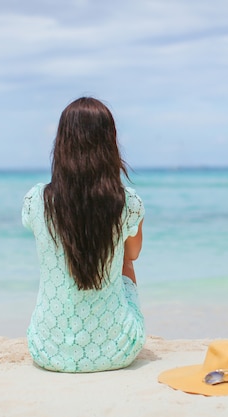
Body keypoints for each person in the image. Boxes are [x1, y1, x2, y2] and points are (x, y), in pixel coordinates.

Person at [21, 97, 145, 372]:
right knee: (124, 260)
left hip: (46, 349)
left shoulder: (37, 199)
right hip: (117, 349)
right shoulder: (128, 202)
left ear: (62, 144)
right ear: (110, 144)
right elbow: (132, 255)